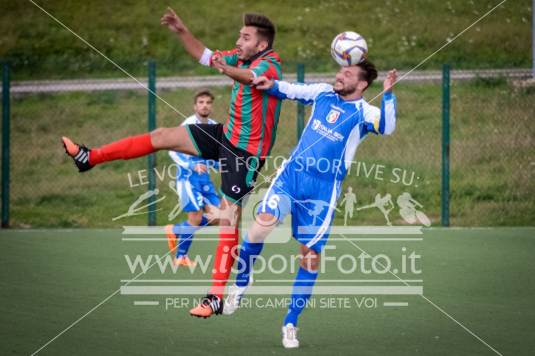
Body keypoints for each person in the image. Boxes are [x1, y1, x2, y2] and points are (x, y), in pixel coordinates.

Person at [62, 8, 282, 318]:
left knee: (228, 214)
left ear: (261, 44)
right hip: (224, 135)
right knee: (162, 134)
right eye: (240, 35)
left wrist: (225, 69)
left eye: (245, 37)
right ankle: (89, 157)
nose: (238, 40)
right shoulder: (241, 56)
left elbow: (252, 78)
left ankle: (216, 296)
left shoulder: (270, 64)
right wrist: (181, 30)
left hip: (245, 154)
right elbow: (205, 55)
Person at [221, 62, 398, 348]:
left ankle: (290, 322)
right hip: (292, 177)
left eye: (348, 74)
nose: (340, 75)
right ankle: (242, 282)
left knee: (310, 256)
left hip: (322, 191)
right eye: (341, 71)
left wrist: (389, 93)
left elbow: (388, 127)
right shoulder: (324, 93)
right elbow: (293, 90)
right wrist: (272, 86)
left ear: (363, 84)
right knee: (258, 228)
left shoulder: (364, 112)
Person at [165, 90, 220, 267]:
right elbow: (172, 150)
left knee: (219, 217)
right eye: (201, 102)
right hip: (188, 178)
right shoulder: (188, 125)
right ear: (195, 106)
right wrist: (191, 165)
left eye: (208, 102)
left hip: (205, 179)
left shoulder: (214, 126)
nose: (205, 105)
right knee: (195, 217)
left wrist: (222, 166)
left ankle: (176, 229)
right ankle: (181, 257)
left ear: (212, 105)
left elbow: (217, 153)